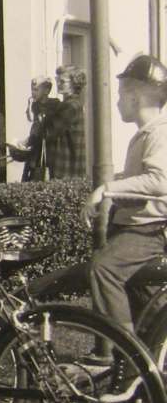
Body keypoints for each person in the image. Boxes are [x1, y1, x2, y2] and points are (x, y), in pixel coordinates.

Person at [85, 54, 167, 347]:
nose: (117, 102)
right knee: (146, 305)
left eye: (121, 95)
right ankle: (147, 375)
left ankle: (128, 357)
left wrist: (106, 189)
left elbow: (159, 181)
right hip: (135, 226)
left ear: (135, 98)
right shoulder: (146, 134)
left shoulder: (159, 132)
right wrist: (117, 183)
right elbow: (139, 175)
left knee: (103, 268)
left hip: (147, 229)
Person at [46, 64, 88, 180]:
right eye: (57, 81)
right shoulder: (71, 103)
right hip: (68, 165)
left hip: (66, 166)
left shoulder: (70, 106)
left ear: (74, 83)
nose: (58, 84)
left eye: (62, 81)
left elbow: (50, 132)